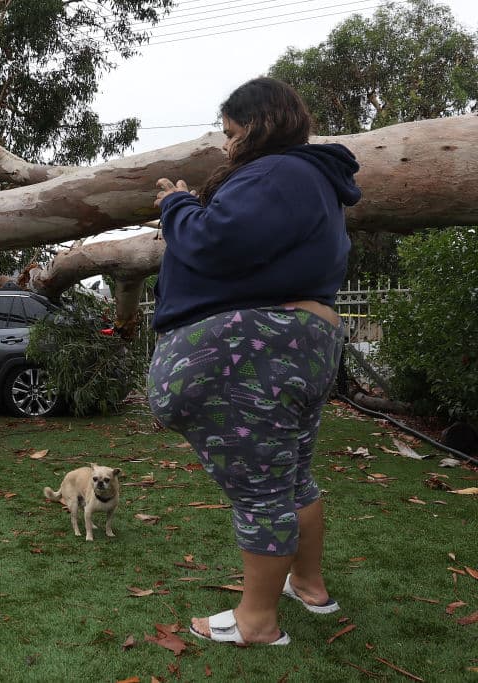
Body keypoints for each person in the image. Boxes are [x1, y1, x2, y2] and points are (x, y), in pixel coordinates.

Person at [147, 77, 362, 646]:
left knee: (262, 493)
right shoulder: (313, 184)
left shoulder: (280, 173)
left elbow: (216, 241)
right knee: (291, 482)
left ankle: (257, 623)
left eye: (232, 134)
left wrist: (176, 206)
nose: (226, 147)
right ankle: (308, 586)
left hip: (258, 349)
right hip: (295, 343)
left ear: (260, 125)